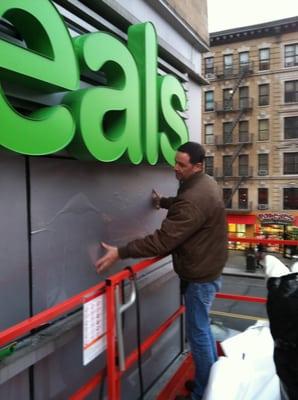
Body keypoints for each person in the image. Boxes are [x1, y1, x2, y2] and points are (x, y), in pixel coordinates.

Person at [95, 142, 228, 400]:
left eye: (181, 165)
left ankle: (204, 392)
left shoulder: (193, 199)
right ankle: (210, 383)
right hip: (209, 269)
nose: (174, 168)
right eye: (175, 161)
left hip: (200, 278)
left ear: (198, 166)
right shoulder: (206, 183)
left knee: (198, 334)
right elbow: (186, 206)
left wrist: (120, 252)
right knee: (203, 330)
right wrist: (164, 202)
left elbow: (162, 241)